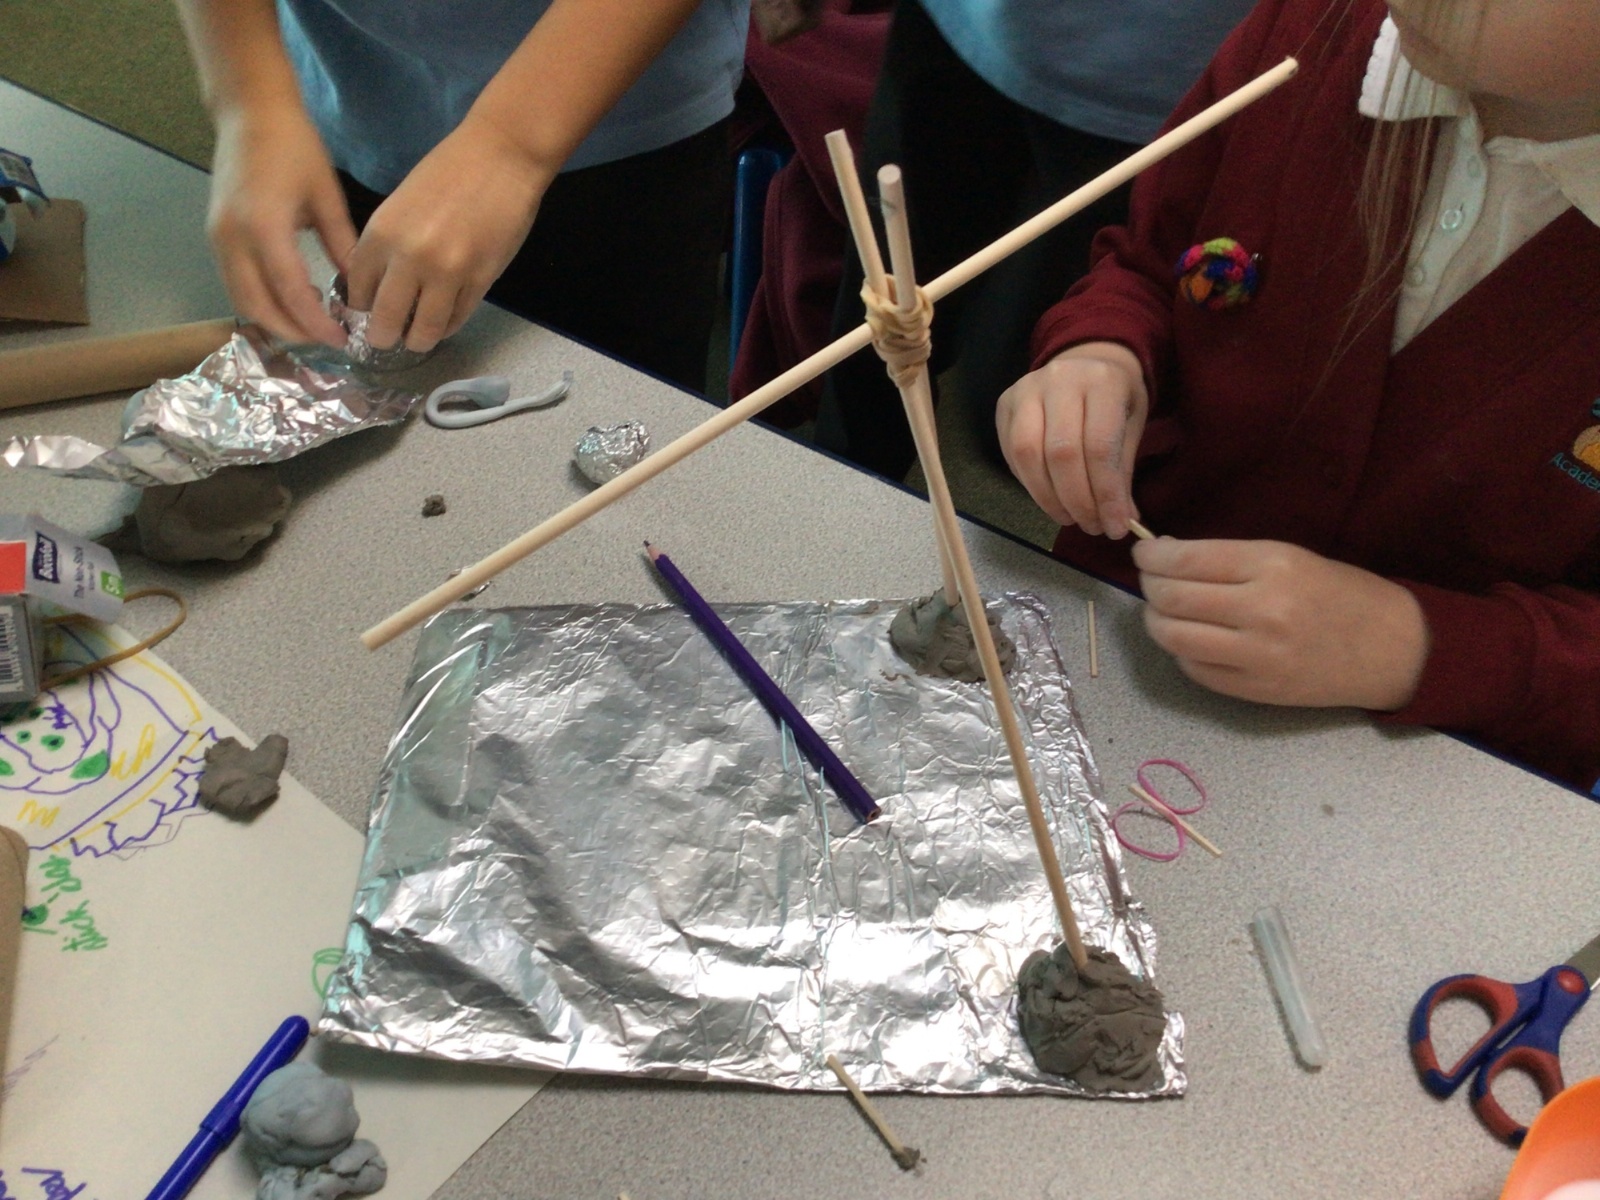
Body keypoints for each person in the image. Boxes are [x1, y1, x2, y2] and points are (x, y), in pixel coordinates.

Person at [998, 0, 1600, 788]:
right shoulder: (1311, 31)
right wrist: (1100, 352)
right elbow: (1151, 261)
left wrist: (1416, 644)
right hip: (1117, 655)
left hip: (1428, 782)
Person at [175, 0, 749, 392]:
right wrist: (251, 98)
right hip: (340, 85)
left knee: (618, 403)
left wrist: (511, 146)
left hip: (610, 114)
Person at [814, 0, 1258, 477]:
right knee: (870, 336)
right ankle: (835, 491)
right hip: (955, 24)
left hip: (1152, 94)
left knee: (1019, 403)